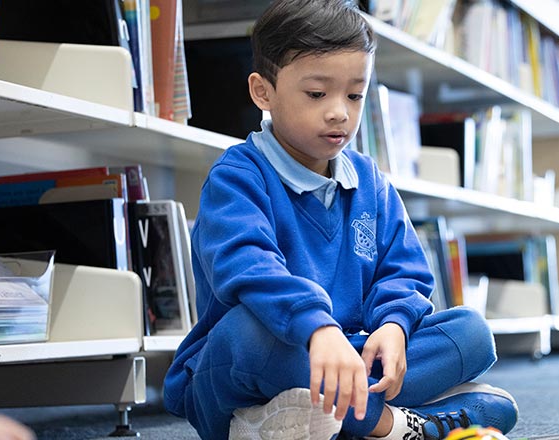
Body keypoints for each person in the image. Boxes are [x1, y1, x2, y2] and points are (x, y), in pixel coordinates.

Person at [162, 1, 519, 439]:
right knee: (248, 334)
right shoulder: (236, 177)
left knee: (472, 333)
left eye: (354, 95)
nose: (339, 112)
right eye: (317, 94)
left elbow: (402, 268)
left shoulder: (369, 179)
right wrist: (317, 329)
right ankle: (395, 425)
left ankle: (314, 422)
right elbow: (246, 268)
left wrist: (394, 325)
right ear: (263, 91)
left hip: (348, 355)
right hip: (259, 364)